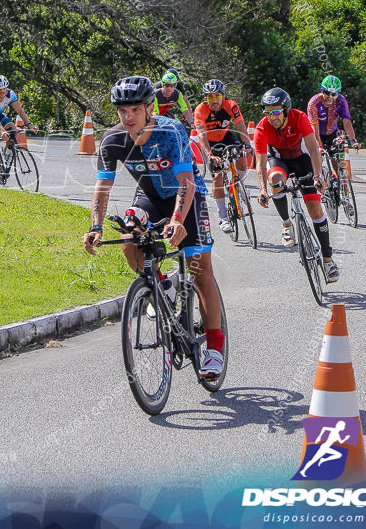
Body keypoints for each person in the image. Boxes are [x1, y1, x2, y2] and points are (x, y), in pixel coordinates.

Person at [82, 75, 225, 378]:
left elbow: (186, 181)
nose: (128, 117)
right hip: (148, 197)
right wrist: (95, 226)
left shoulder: (169, 130)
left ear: (149, 107)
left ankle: (214, 349)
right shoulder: (112, 140)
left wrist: (177, 219)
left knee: (200, 271)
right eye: (122, 111)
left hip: (187, 197)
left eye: (134, 109)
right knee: (128, 236)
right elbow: (102, 187)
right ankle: (162, 285)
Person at [253, 87, 340, 282]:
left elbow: (312, 148)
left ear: (285, 109)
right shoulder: (262, 128)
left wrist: (318, 175)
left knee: (315, 209)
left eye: (276, 111)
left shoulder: (299, 117)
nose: (272, 116)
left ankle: (327, 261)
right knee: (275, 180)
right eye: (268, 111)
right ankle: (286, 224)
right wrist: (261, 189)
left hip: (302, 160)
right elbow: (259, 164)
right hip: (279, 161)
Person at [193, 79, 252, 235]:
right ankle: (223, 217)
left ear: (223, 96)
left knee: (241, 157)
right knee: (218, 176)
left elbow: (240, 126)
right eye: (210, 97)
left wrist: (246, 144)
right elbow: (201, 136)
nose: (214, 100)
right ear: (206, 98)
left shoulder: (231, 105)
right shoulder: (200, 110)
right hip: (210, 143)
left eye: (217, 96)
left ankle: (239, 186)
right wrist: (209, 155)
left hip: (226, 136)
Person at [0, 75, 38, 185]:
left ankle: (7, 151)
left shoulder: (10, 94)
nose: (3, 91)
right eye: (0, 89)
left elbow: (19, 110)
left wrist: (30, 124)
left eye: (4, 88)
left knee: (13, 130)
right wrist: (2, 131)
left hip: (0, 116)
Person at [306, 75, 361, 178]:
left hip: (333, 132)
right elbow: (314, 126)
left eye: (334, 94)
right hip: (317, 134)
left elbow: (347, 122)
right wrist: (319, 145)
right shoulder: (314, 102)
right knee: (318, 158)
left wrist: (353, 141)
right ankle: (323, 184)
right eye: (327, 93)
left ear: (338, 94)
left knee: (340, 163)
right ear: (322, 91)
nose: (330, 97)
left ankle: (345, 190)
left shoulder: (341, 100)